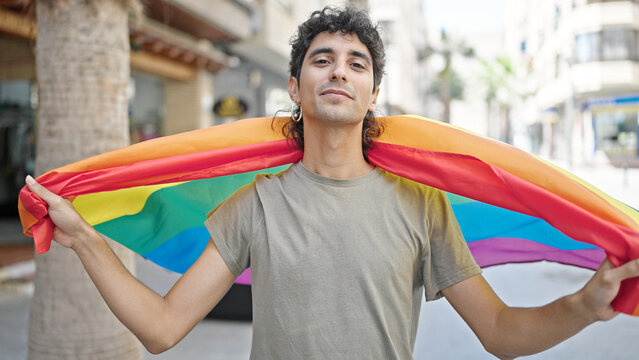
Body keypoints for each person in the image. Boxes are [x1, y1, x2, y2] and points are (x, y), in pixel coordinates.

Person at [25, 6, 639, 360]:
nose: (338, 72)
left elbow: (502, 334)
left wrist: (584, 305)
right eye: (321, 60)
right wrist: (85, 239)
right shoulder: (255, 204)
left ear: (374, 95)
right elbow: (161, 330)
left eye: (356, 63)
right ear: (295, 88)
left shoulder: (421, 206)